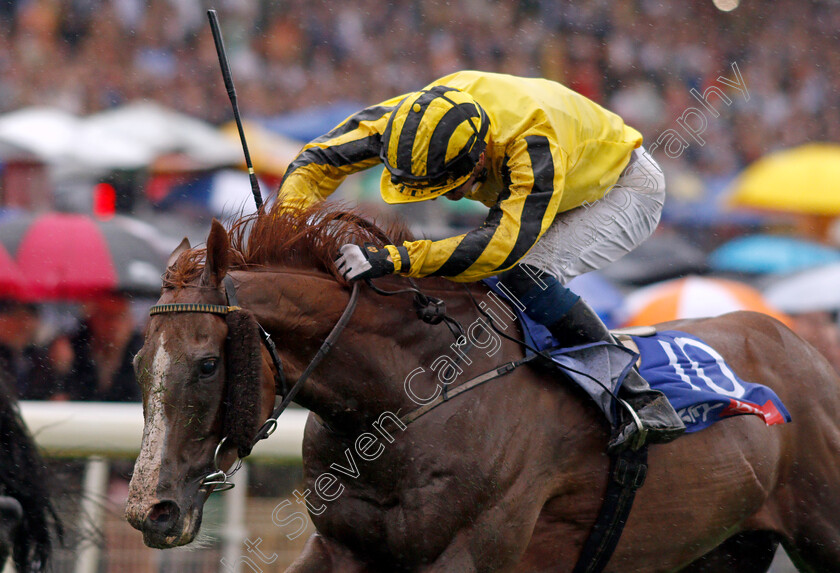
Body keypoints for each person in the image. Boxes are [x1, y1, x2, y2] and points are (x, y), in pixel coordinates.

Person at [279, 70, 685, 452]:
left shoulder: (533, 142)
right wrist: (289, 228)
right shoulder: (410, 123)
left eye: (450, 189)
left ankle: (637, 397)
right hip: (550, 178)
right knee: (465, 271)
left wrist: (396, 257)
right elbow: (314, 161)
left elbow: (502, 249)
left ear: (477, 157)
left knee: (524, 275)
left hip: (621, 187)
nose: (447, 199)